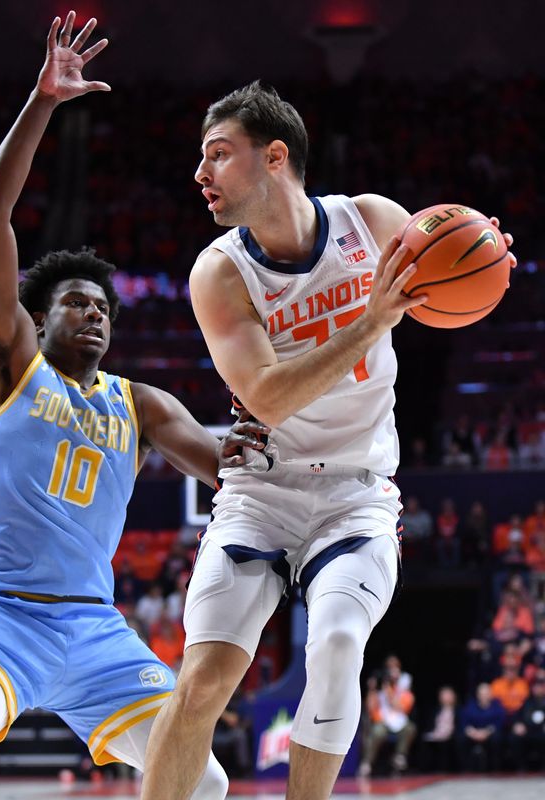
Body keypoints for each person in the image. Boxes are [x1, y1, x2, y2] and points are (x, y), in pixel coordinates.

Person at [0, 14, 266, 800]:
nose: (96, 313)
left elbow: (225, 470)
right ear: (39, 319)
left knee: (203, 778)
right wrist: (41, 103)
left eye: (104, 306)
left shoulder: (137, 403)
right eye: (77, 302)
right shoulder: (6, 365)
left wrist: (286, 458)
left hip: (94, 631)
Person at [141, 82, 515, 799]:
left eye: (218, 155)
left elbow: (447, 273)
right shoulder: (221, 272)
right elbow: (268, 396)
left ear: (274, 156)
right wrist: (372, 322)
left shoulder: (370, 222)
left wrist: (486, 256)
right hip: (261, 493)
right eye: (201, 159)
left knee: (339, 645)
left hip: (356, 492)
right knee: (204, 678)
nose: (201, 174)